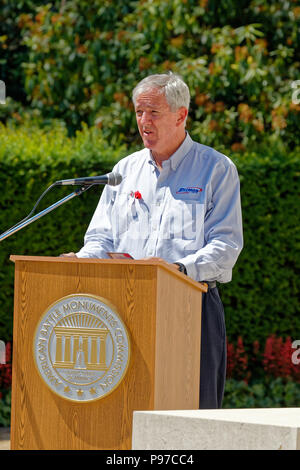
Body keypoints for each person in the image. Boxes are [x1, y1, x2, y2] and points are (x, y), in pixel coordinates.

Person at [62, 73, 243, 409]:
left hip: (191, 307)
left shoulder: (216, 169)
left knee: (193, 414)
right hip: (124, 307)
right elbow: (101, 237)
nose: (144, 122)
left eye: (153, 113)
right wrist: (82, 260)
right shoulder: (124, 171)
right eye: (138, 113)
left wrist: (175, 269)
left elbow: (226, 246)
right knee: (125, 411)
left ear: (181, 115)